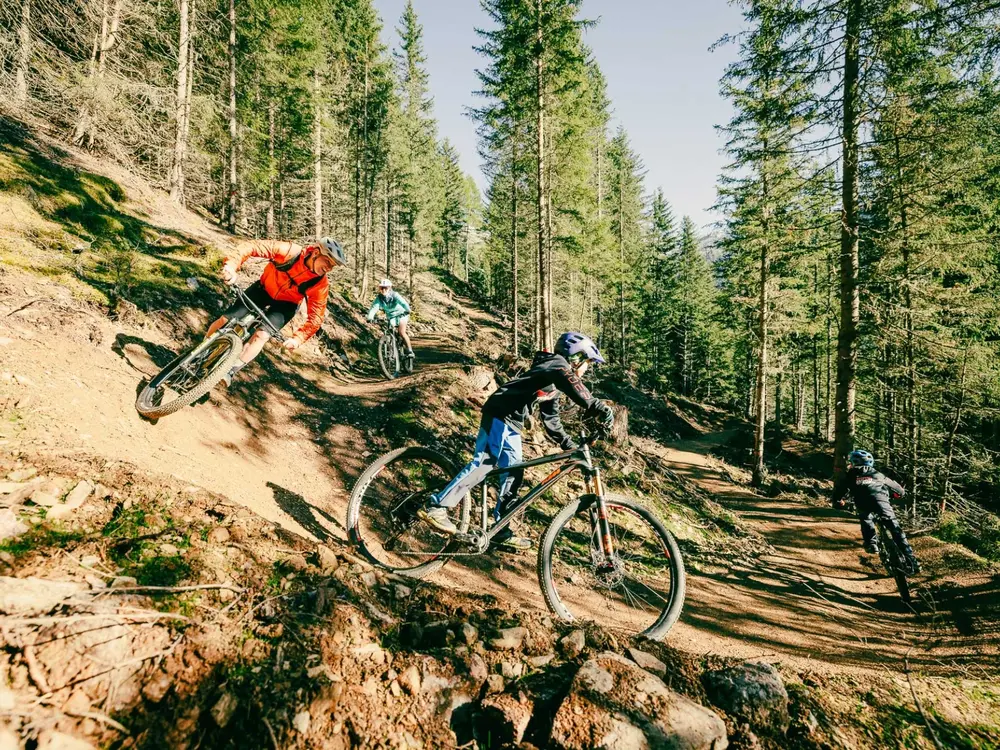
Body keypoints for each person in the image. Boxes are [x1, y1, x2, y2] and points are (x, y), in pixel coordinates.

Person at [418, 331, 615, 552]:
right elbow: (574, 385)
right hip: (499, 413)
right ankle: (436, 506)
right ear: (576, 357)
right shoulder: (557, 365)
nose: (587, 369)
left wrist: (569, 445)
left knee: (514, 473)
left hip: (512, 424)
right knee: (485, 463)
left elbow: (551, 420)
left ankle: (500, 530)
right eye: (588, 362)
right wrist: (598, 406)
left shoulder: (554, 380)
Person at [208, 237, 347, 386]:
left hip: (286, 305)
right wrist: (231, 266)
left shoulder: (320, 284)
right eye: (327, 262)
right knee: (225, 320)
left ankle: (230, 371)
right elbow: (252, 247)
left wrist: (298, 339)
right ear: (316, 253)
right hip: (263, 289)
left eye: (333, 266)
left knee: (262, 336)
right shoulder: (289, 252)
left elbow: (316, 317)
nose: (329, 268)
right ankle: (202, 349)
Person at [832, 449, 920, 573]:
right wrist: (898, 494)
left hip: (862, 502)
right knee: (895, 528)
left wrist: (838, 501)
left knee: (866, 518)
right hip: (881, 502)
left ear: (853, 463)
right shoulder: (878, 474)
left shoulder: (850, 475)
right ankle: (912, 560)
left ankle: (871, 544)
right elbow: (899, 489)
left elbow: (840, 490)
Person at [366, 279, 414, 363]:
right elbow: (374, 308)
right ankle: (392, 350)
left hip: (402, 314)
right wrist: (370, 318)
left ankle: (410, 351)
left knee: (401, 332)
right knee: (390, 331)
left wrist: (408, 310)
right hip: (391, 317)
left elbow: (403, 303)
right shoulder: (379, 298)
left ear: (390, 288)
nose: (384, 290)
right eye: (382, 288)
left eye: (386, 288)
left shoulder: (395, 295)